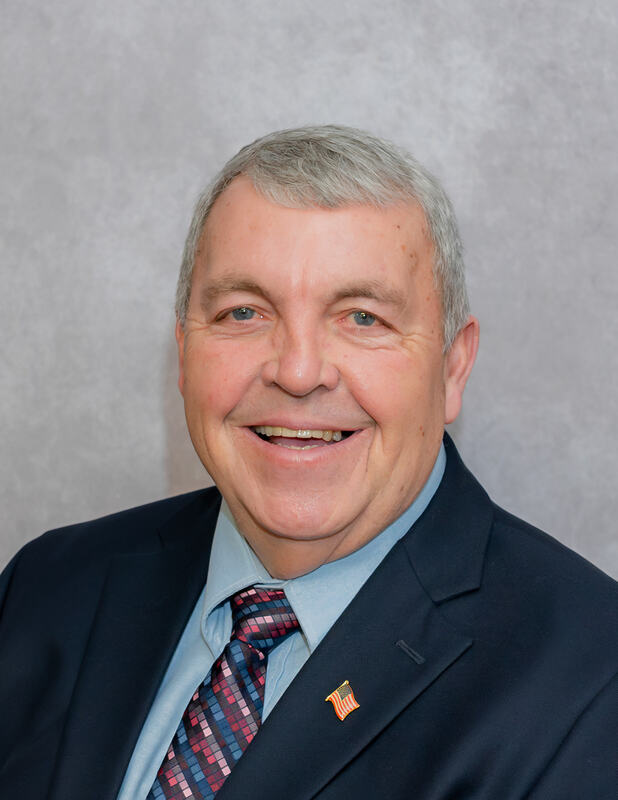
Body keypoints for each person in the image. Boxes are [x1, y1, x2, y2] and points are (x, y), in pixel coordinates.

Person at [0, 125, 616, 800]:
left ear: (452, 366)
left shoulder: (590, 679)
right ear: (183, 352)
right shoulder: (44, 592)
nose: (297, 372)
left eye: (361, 318)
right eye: (244, 312)